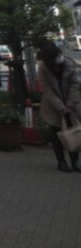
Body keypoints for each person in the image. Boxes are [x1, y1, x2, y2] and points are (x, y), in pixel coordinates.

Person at [37, 41, 81, 172]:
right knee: (57, 134)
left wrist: (71, 103)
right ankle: (61, 162)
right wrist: (61, 107)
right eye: (56, 55)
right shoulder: (43, 68)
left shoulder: (69, 64)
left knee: (74, 132)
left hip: (71, 105)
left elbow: (75, 84)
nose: (59, 56)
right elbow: (47, 89)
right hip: (53, 106)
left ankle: (75, 162)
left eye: (59, 54)